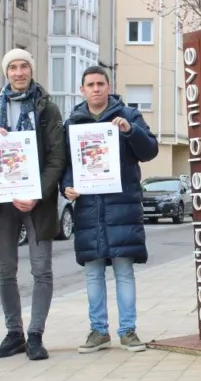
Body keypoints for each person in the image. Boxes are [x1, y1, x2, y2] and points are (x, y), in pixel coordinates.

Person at [0, 48, 67, 361]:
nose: (19, 72)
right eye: (13, 67)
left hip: (37, 200)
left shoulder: (47, 108)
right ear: (6, 72)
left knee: (42, 269)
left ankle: (35, 334)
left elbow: (57, 156)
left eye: (24, 67)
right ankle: (15, 333)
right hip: (1, 199)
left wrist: (38, 192)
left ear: (31, 71)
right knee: (5, 270)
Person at [60, 66, 158, 354]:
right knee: (92, 274)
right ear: (82, 90)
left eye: (100, 83)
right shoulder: (73, 123)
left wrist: (131, 132)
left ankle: (128, 331)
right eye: (90, 84)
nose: (96, 89)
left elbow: (149, 150)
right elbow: (66, 166)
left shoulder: (128, 116)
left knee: (124, 272)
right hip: (88, 210)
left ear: (109, 86)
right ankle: (98, 331)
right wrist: (65, 187)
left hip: (122, 209)